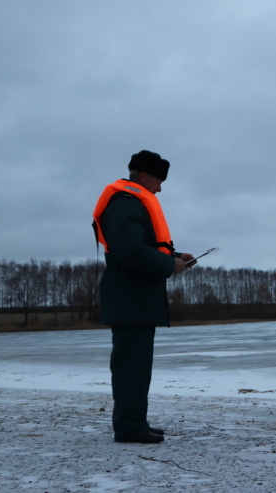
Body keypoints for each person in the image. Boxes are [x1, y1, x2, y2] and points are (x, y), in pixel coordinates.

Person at [92, 150, 194, 444]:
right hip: (130, 298)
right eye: (159, 180)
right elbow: (130, 251)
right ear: (145, 175)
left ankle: (135, 421)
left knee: (136, 365)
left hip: (133, 297)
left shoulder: (130, 203)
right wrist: (168, 265)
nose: (160, 187)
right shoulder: (126, 204)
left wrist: (175, 257)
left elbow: (137, 247)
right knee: (131, 366)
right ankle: (129, 427)